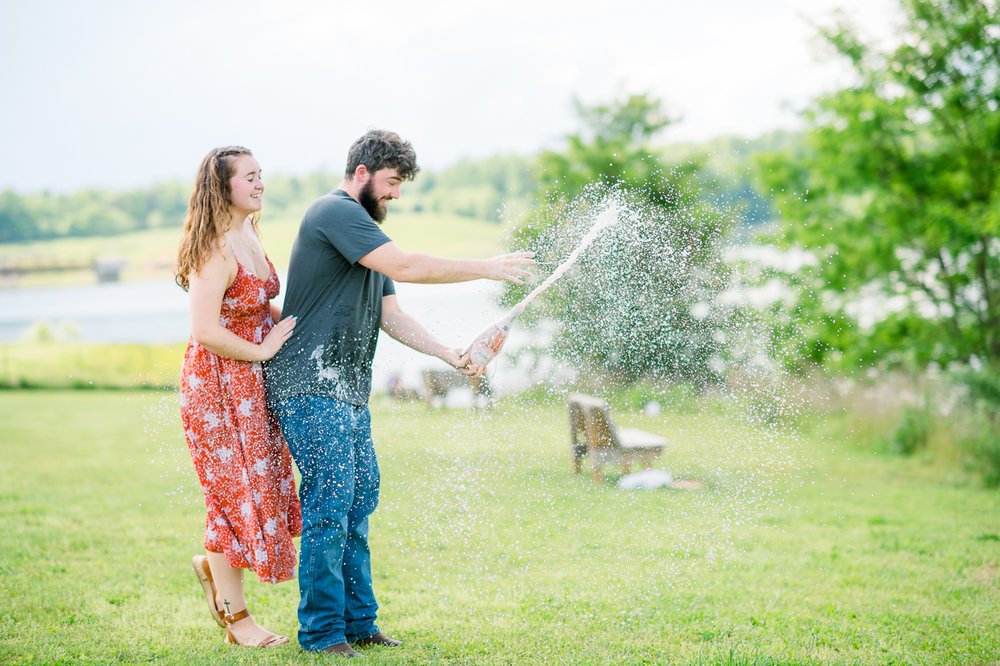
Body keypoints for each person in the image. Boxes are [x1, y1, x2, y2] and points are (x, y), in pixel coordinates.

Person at [265, 129, 534, 657]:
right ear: (362, 173)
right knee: (330, 505)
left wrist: (447, 353)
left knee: (359, 498)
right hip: (309, 386)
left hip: (345, 391)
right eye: (391, 183)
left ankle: (360, 623)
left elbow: (392, 314)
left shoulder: (362, 230)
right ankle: (322, 634)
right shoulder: (333, 212)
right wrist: (486, 268)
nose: (396, 196)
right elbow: (407, 265)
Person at [175, 146, 303, 649]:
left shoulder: (248, 231)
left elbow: (252, 304)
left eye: (260, 175)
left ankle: (214, 566)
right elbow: (205, 329)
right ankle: (238, 621)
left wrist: (284, 322)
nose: (260, 184)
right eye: (250, 177)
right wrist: (265, 346)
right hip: (216, 390)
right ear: (222, 187)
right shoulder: (212, 248)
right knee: (229, 499)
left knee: (256, 489)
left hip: (252, 385)